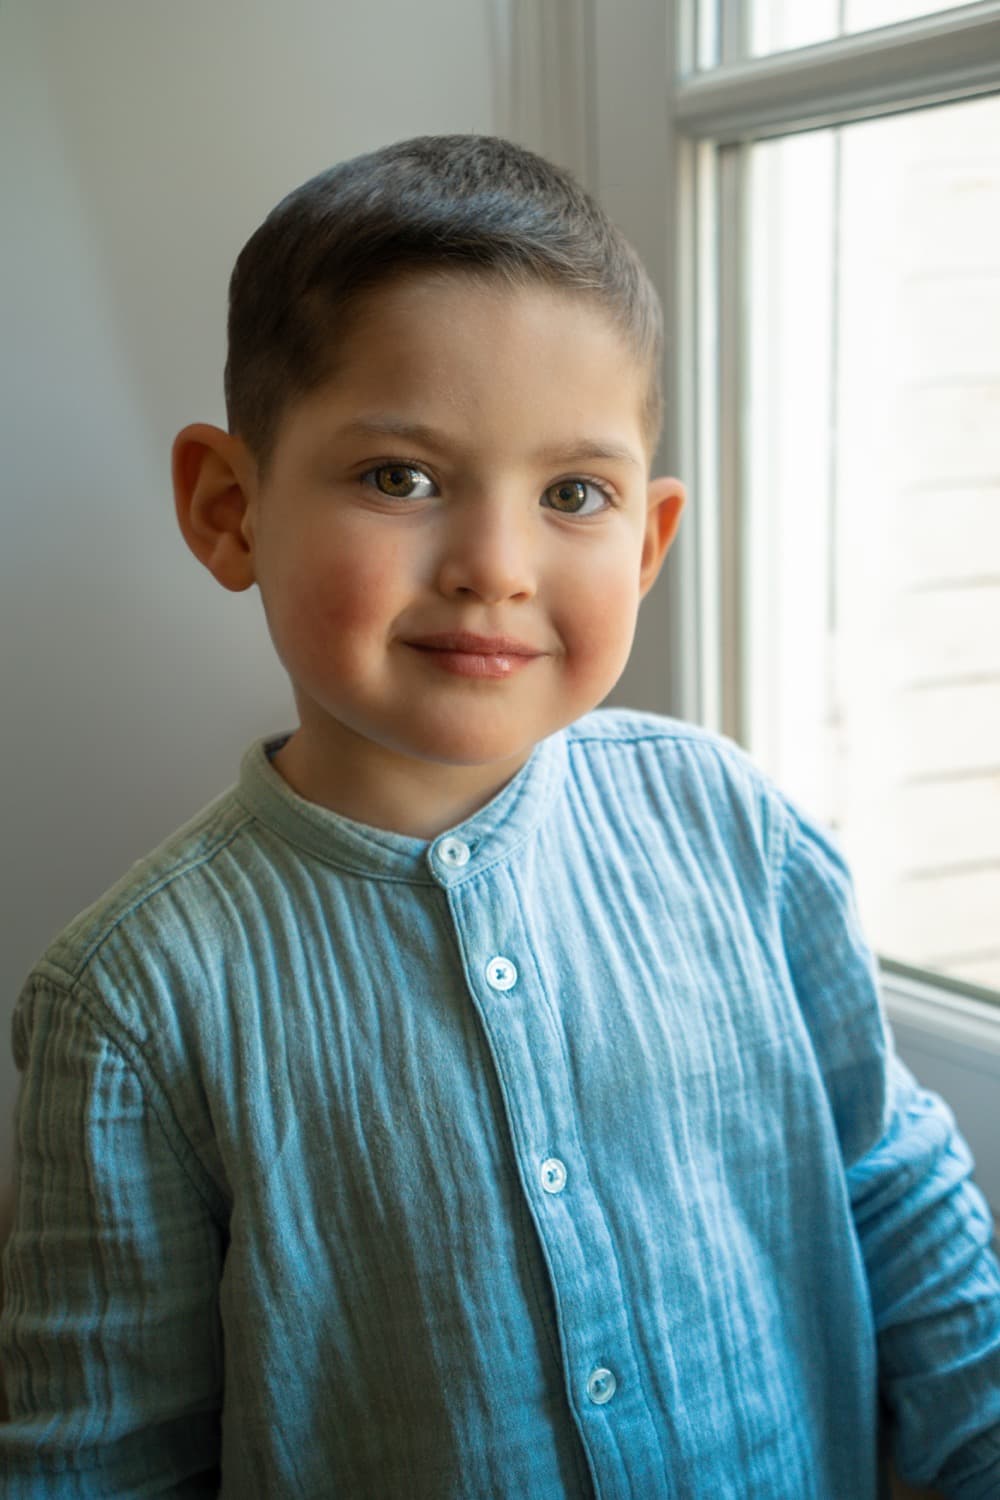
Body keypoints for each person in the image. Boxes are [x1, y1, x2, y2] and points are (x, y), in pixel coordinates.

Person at [1, 133, 998, 1500]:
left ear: (647, 543)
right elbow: (100, 1460)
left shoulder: (734, 827)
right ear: (231, 510)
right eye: (400, 477)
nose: (495, 567)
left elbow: (887, 1177)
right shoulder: (129, 1003)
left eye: (573, 494)